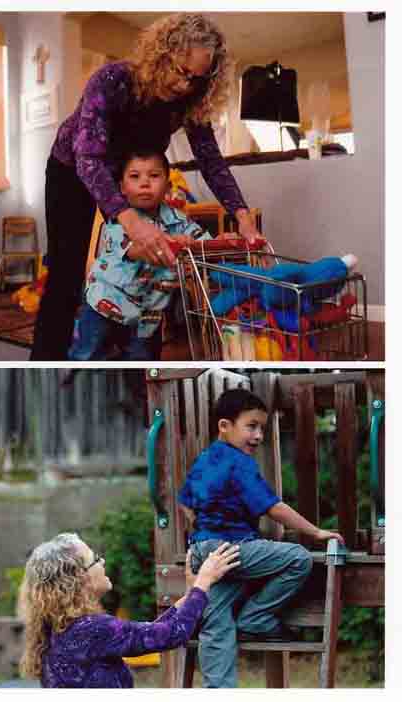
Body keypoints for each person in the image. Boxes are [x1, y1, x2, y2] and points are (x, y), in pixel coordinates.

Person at [31, 12, 264, 361]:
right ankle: (44, 370)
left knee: (150, 271)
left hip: (132, 177)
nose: (186, 85)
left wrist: (242, 215)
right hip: (74, 171)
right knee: (66, 277)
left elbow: (210, 161)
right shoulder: (112, 80)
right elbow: (89, 159)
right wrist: (130, 221)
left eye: (197, 80)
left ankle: (139, 365)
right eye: (181, 71)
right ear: (163, 53)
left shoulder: (189, 99)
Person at [179, 388, 346, 687]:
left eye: (262, 429)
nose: (258, 436)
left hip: (206, 552)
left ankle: (218, 689)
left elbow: (185, 503)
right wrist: (316, 531)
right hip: (232, 548)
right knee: (298, 559)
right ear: (225, 426)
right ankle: (256, 618)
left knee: (215, 623)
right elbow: (273, 508)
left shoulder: (204, 459)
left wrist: (202, 538)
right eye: (251, 426)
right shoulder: (239, 463)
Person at [18, 532, 240, 688]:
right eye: (95, 559)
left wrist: (191, 593)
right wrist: (204, 581)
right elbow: (171, 634)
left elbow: (152, 632)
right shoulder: (93, 629)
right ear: (78, 578)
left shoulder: (60, 631)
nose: (102, 561)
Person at [69, 148, 214, 361]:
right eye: (135, 176)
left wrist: (217, 240)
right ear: (122, 188)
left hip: (147, 318)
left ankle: (137, 394)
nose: (145, 183)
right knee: (85, 358)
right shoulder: (120, 219)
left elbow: (205, 243)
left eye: (154, 176)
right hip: (104, 305)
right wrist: (174, 243)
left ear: (167, 185)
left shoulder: (179, 220)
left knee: (143, 368)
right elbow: (138, 250)